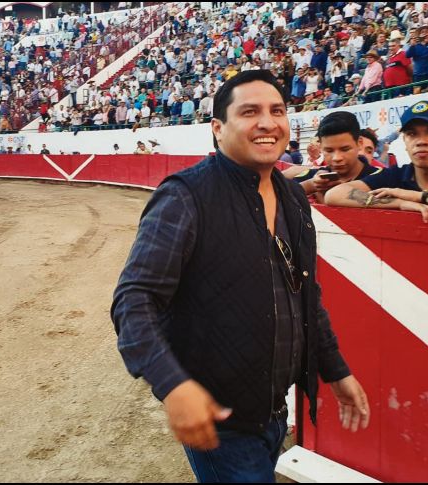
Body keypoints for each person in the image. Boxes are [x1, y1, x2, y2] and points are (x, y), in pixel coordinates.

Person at [111, 70, 370, 483]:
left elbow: (305, 297)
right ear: (218, 128)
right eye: (249, 112)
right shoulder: (185, 196)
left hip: (271, 410)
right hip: (222, 422)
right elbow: (133, 300)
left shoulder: (292, 199)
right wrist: (174, 386)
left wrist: (334, 369)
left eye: (277, 111)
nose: (267, 122)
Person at [325, 101, 428, 221]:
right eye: (412, 134)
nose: (421, 141)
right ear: (404, 140)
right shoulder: (394, 176)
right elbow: (335, 194)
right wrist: (399, 203)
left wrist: (420, 197)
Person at [285, 112, 383, 203]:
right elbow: (277, 195)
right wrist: (311, 185)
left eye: (345, 149)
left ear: (359, 143)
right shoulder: (313, 176)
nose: (336, 158)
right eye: (329, 151)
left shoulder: (381, 177)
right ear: (321, 146)